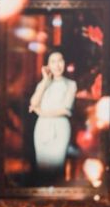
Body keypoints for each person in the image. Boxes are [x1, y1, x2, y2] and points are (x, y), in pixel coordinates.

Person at [29, 50, 77, 178]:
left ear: (65, 63)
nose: (57, 65)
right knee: (42, 168)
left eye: (60, 61)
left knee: (57, 167)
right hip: (42, 128)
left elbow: (65, 109)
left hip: (60, 128)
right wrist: (45, 81)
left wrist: (40, 112)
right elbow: (33, 102)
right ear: (48, 65)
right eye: (53, 62)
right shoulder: (43, 84)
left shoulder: (71, 84)